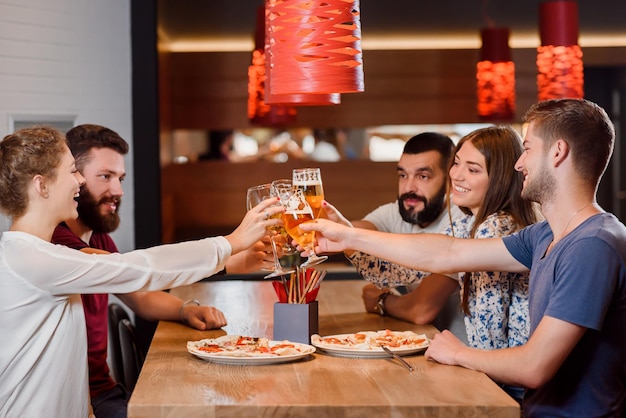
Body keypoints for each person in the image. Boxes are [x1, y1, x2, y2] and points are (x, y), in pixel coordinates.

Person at [301, 98, 626, 416]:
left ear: (558, 152)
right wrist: (349, 236)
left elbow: (534, 367)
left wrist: (459, 353)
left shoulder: (592, 245)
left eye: (527, 149)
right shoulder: (545, 235)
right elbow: (448, 252)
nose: (518, 164)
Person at [0, 126, 283, 417]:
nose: (80, 180)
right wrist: (231, 243)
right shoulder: (32, 259)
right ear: (41, 186)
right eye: (72, 171)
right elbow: (140, 267)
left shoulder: (37, 254)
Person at [326, 132, 466, 341]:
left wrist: (382, 301)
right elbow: (360, 230)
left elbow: (421, 310)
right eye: (403, 175)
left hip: (466, 361)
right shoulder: (397, 212)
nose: (409, 188)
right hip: (426, 348)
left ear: (449, 180)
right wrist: (336, 227)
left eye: (423, 176)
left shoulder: (461, 219)